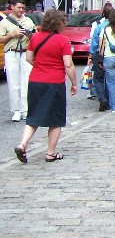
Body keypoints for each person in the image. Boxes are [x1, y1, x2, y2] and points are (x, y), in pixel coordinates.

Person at [13, 9, 77, 164]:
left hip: (35, 81)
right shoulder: (63, 40)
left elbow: (29, 57)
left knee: (34, 115)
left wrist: (41, 66)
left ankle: (22, 145)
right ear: (59, 23)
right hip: (54, 82)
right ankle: (50, 153)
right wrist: (74, 83)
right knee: (55, 119)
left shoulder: (35, 37)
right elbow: (68, 64)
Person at [0, 0, 36, 121]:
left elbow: (35, 36)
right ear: (12, 7)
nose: (21, 10)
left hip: (25, 52)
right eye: (19, 7)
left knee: (26, 81)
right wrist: (12, 35)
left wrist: (30, 35)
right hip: (11, 53)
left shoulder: (28, 21)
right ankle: (16, 110)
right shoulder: (4, 22)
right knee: (13, 82)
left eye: (23, 8)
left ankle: (25, 110)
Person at [87, 4, 113, 111]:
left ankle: (102, 99)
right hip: (112, 55)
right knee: (110, 78)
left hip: (99, 55)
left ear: (103, 14)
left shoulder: (99, 27)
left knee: (98, 78)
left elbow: (94, 44)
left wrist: (90, 57)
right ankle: (109, 100)